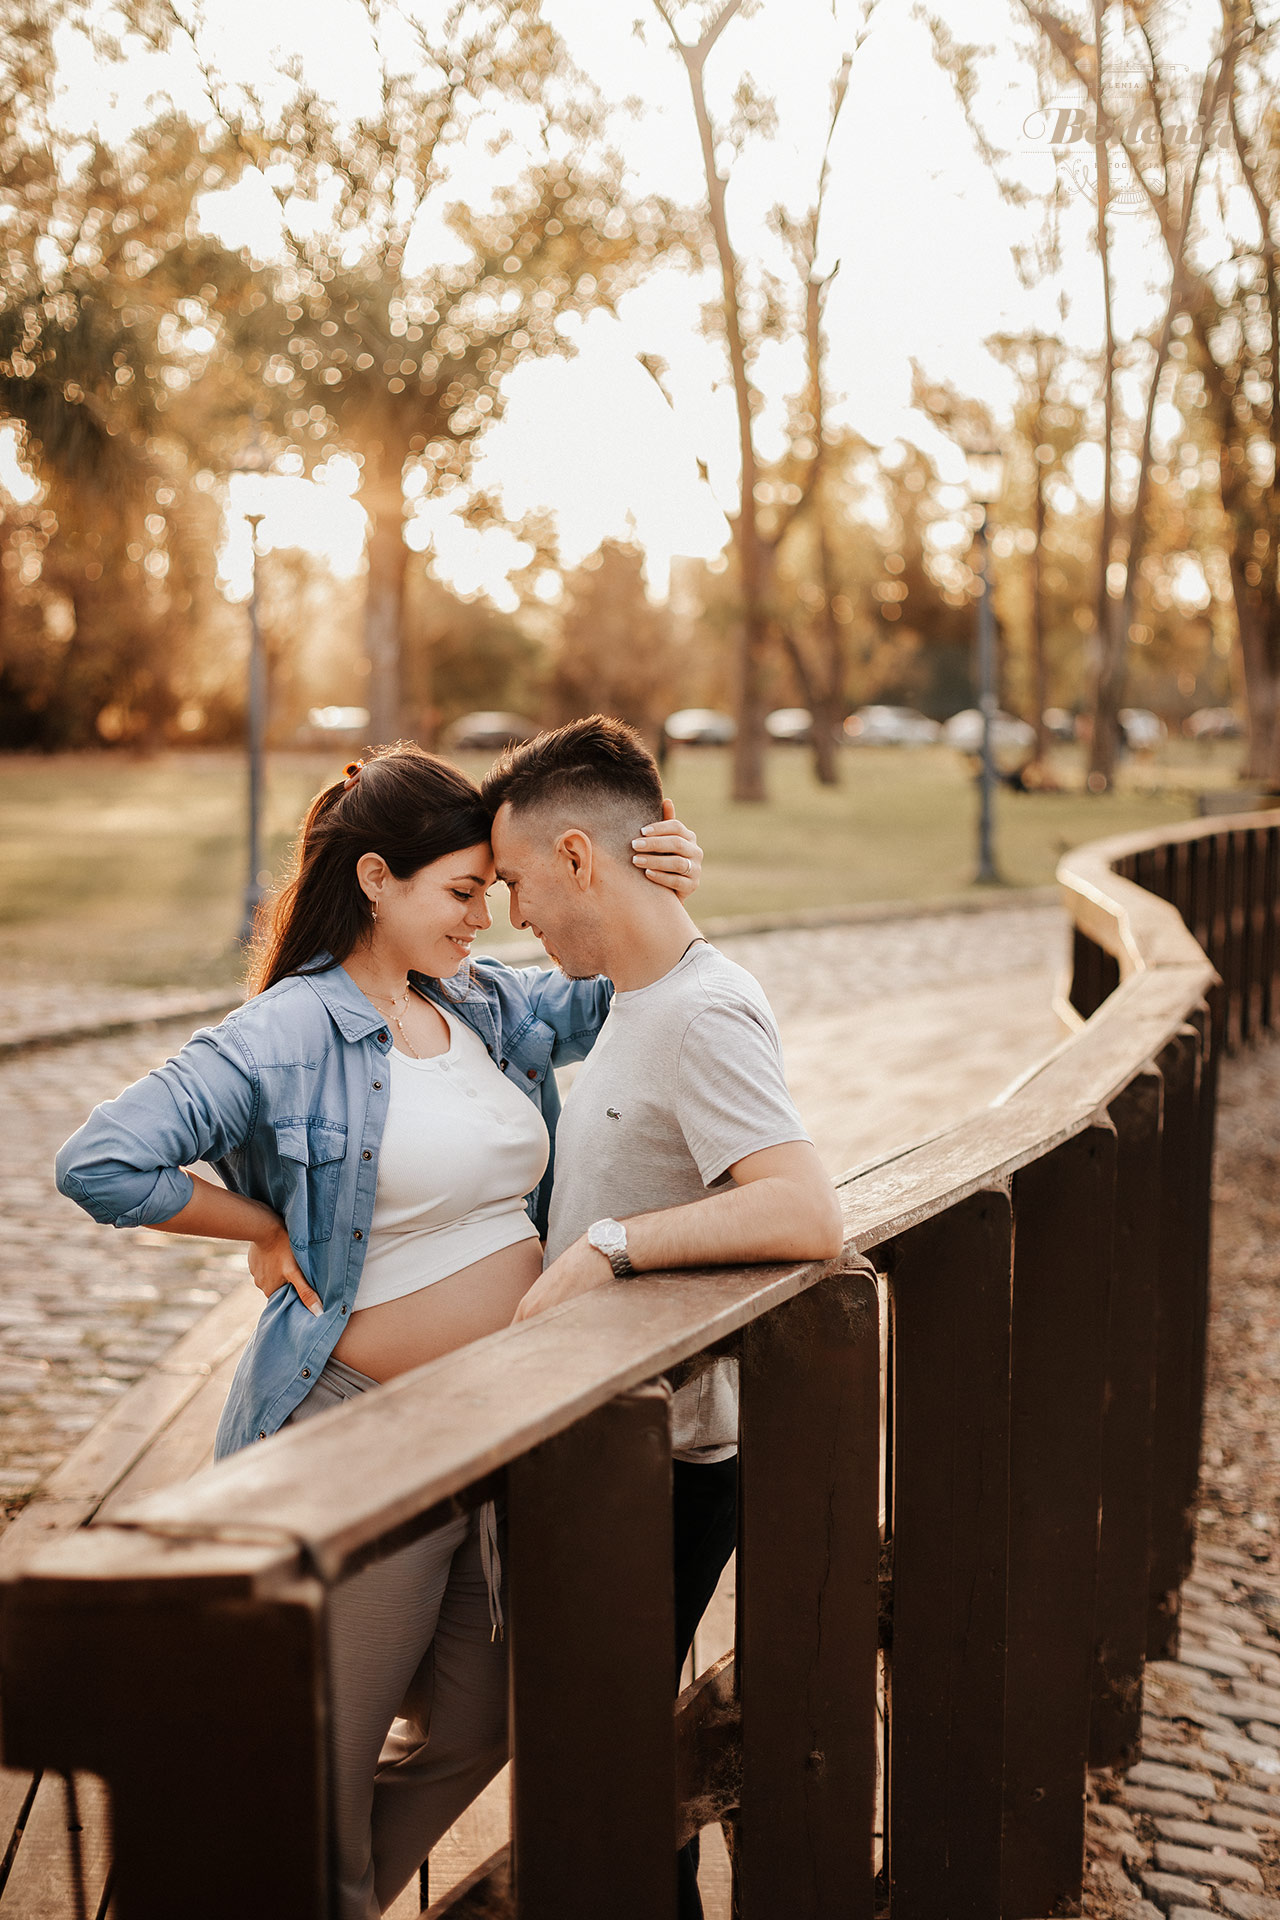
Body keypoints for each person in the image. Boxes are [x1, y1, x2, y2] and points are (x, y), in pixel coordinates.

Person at [53, 742, 704, 1920]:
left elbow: (616, 975)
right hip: (365, 1440)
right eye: (461, 891)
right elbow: (101, 1161)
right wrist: (261, 1219)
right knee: (313, 1766)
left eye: (491, 891)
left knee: (485, 1719)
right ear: (372, 880)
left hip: (492, 1441)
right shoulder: (289, 1032)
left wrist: (653, 873)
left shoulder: (479, 1001)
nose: (485, 915)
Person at [483, 716, 847, 1919]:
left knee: (605, 1759)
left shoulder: (698, 1012)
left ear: (579, 858)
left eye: (523, 883)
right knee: (623, 1746)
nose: (513, 916)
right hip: (626, 1444)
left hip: (671, 1459)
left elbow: (803, 1210)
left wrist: (610, 1246)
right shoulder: (637, 992)